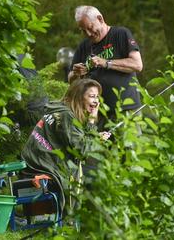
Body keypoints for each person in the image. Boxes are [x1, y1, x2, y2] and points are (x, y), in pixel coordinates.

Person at [21, 78, 111, 215]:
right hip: (44, 167)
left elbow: (76, 138)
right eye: (92, 96)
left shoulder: (60, 109)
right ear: (79, 97)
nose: (96, 101)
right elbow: (82, 151)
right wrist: (92, 122)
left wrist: (94, 136)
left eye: (97, 97)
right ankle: (68, 221)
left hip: (34, 164)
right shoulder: (66, 116)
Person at [68, 5, 143, 128]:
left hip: (125, 109)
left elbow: (137, 65)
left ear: (100, 19)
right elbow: (71, 80)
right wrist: (76, 73)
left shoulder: (120, 34)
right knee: (100, 147)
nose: (88, 33)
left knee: (128, 147)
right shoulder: (83, 46)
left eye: (90, 27)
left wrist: (106, 63)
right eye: (83, 30)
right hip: (96, 113)